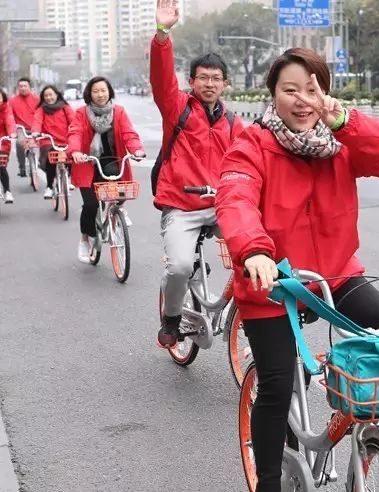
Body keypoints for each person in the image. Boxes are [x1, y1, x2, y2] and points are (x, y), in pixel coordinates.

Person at [215, 47, 379, 491]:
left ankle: (357, 427)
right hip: (274, 282)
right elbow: (236, 198)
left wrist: (344, 120)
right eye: (290, 90)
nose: (302, 100)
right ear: (272, 95)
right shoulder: (252, 144)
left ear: (325, 93)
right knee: (278, 385)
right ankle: (268, 481)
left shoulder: (340, 143)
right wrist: (255, 251)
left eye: (312, 89)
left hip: (334, 274)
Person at [152, 0, 245, 348]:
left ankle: (250, 311)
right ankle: (172, 317)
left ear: (225, 84)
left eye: (216, 78)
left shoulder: (234, 122)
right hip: (181, 205)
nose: (209, 83)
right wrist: (163, 33)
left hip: (223, 205)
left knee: (257, 251)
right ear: (191, 82)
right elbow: (161, 80)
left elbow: (253, 160)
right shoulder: (176, 108)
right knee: (177, 267)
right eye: (202, 78)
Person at [69, 77, 145, 263]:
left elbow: (129, 133)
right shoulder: (81, 113)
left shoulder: (119, 112)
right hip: (87, 163)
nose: (100, 94)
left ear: (109, 92)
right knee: (91, 204)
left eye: (103, 90)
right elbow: (75, 133)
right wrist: (76, 151)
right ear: (90, 93)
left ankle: (117, 211)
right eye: (96, 91)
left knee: (120, 192)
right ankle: (85, 239)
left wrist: (136, 150)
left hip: (112, 161)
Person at [32, 85, 75, 199]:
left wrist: (75, 130)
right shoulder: (41, 109)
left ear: (57, 95)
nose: (48, 97)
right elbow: (37, 121)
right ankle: (50, 187)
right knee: (50, 158)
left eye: (51, 94)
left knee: (72, 156)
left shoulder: (65, 107)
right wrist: (36, 132)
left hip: (65, 139)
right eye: (46, 95)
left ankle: (68, 177)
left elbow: (73, 121)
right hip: (48, 140)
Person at [10, 77, 41, 177]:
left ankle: (41, 162)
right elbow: (9, 116)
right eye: (21, 86)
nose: (23, 88)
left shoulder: (37, 99)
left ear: (30, 87)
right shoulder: (13, 101)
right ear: (18, 88)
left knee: (44, 143)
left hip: (36, 127)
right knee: (20, 143)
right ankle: (22, 167)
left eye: (25, 86)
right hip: (21, 128)